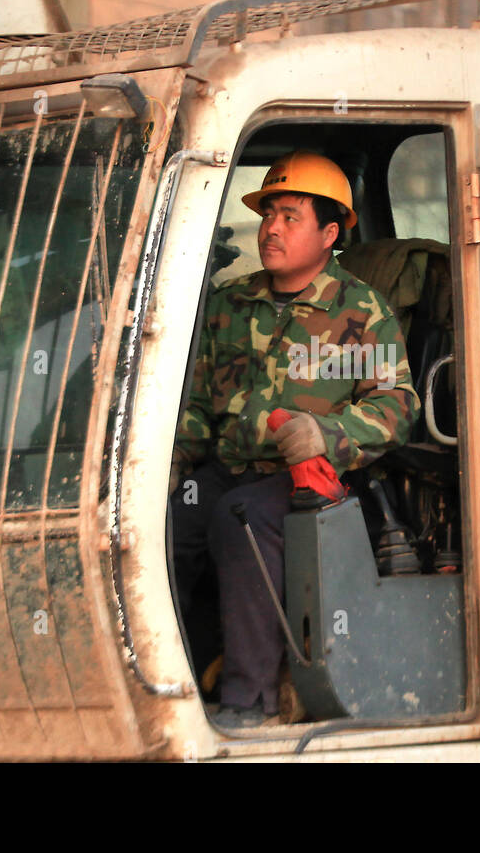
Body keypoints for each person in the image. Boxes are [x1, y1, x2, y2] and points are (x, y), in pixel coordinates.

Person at [169, 150, 420, 729]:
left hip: (314, 481)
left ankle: (248, 700)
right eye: (267, 215)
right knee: (164, 518)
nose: (271, 229)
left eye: (290, 217)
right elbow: (200, 406)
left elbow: (396, 406)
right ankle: (177, 674)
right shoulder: (231, 305)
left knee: (241, 519)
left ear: (330, 234)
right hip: (229, 468)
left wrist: (327, 433)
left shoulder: (360, 312)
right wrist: (167, 465)